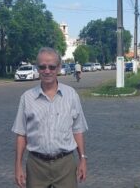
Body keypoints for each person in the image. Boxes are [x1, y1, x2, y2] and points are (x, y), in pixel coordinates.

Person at [12, 47, 88, 188]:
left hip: (65, 164)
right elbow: (21, 134)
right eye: (42, 67)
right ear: (37, 68)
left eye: (52, 67)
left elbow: (77, 130)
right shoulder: (27, 98)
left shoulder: (71, 95)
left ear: (59, 68)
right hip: (36, 165)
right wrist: (17, 166)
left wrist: (82, 158)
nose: (47, 71)